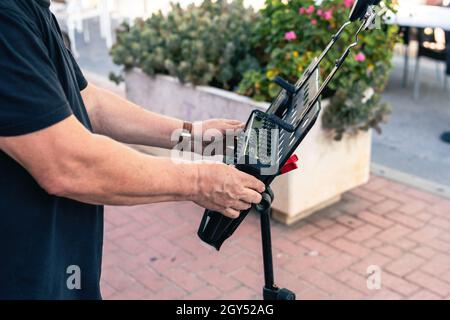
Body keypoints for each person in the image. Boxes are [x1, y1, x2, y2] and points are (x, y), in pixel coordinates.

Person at [0, 0, 265, 299]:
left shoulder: (31, 8)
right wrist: (200, 182)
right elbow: (67, 163)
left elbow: (88, 101)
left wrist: (192, 136)